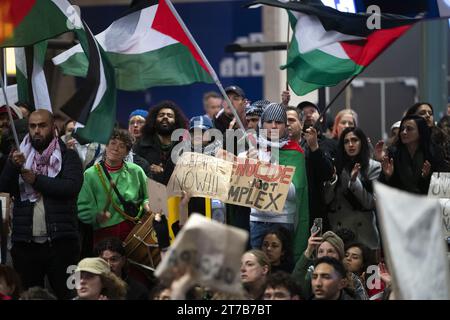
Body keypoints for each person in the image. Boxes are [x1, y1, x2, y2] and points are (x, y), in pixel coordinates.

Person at [0, 109, 83, 300]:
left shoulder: (68, 156)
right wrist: (12, 166)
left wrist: (36, 180)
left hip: (62, 244)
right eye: (33, 126)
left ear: (53, 128)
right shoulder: (18, 157)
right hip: (25, 245)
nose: (37, 130)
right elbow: (4, 187)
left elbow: (71, 187)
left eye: (42, 125)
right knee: (28, 296)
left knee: (70, 295)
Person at [245, 103, 309, 259]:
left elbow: (296, 193)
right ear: (262, 124)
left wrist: (270, 171)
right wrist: (249, 166)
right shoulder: (252, 151)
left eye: (279, 122)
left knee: (282, 271)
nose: (273, 126)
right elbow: (242, 190)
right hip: (257, 222)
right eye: (269, 121)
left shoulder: (295, 152)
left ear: (286, 127)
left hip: (283, 222)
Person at [77, 129, 150, 245]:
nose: (116, 148)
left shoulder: (136, 171)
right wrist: (96, 217)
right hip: (104, 234)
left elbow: (148, 196)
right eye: (113, 143)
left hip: (134, 229)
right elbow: (83, 207)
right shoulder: (90, 174)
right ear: (106, 146)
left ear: (127, 152)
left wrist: (147, 204)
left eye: (122, 146)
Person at [324, 127, 381, 249]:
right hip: (339, 231)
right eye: (346, 141)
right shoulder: (336, 166)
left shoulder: (374, 167)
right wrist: (333, 180)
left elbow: (370, 203)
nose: (350, 144)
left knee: (369, 268)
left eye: (355, 140)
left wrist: (354, 181)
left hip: (364, 233)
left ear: (362, 142)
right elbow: (326, 200)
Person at [292, 231, 368, 300]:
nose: (325, 255)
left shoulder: (353, 279)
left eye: (330, 251)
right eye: (321, 251)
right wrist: (309, 250)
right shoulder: (312, 275)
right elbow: (295, 285)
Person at [296, 101, 335, 233]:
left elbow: (328, 174)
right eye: (303, 113)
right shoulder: (289, 145)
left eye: (311, 112)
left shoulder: (329, 144)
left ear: (321, 117)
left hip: (316, 208)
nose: (307, 115)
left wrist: (314, 148)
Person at [380, 115, 441, 194]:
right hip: (399, 202)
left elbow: (441, 186)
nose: (404, 132)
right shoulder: (393, 153)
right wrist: (388, 176)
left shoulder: (433, 152)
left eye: (409, 129)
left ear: (420, 131)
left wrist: (427, 177)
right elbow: (383, 186)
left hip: (426, 202)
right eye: (402, 129)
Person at [134, 100, 187, 185]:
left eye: (170, 116)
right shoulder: (140, 146)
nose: (165, 117)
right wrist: (148, 168)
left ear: (176, 122)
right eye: (161, 115)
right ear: (153, 121)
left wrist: (164, 171)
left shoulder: (185, 148)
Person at [405, 102, 450, 171]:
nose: (428, 115)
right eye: (422, 113)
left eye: (430, 113)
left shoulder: (442, 139)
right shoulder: (404, 138)